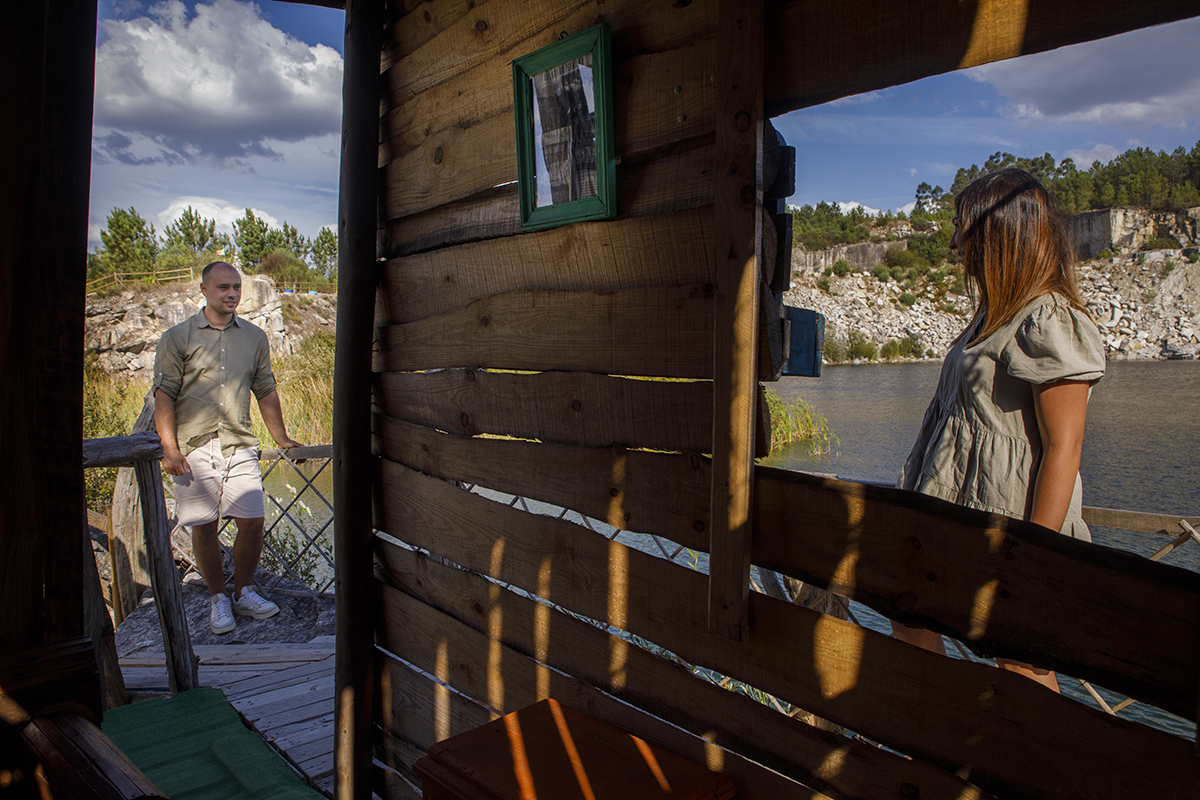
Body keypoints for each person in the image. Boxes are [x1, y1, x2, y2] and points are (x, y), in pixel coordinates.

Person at [892, 168, 1105, 692]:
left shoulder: (1048, 318)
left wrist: (1031, 555)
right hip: (952, 512)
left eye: (962, 230)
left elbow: (1065, 446)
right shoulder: (993, 315)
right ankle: (954, 730)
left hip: (1010, 525)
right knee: (909, 616)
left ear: (1001, 233)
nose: (955, 245)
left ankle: (1020, 749)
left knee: (1019, 662)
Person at [153, 261, 302, 635]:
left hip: (239, 443)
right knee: (205, 526)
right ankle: (218, 598)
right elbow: (164, 394)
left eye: (236, 287)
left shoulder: (254, 337)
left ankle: (244, 592)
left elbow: (265, 388)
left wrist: (282, 439)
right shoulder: (177, 337)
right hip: (193, 447)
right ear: (204, 290)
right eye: (223, 287)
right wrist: (169, 449)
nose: (232, 294)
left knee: (253, 521)